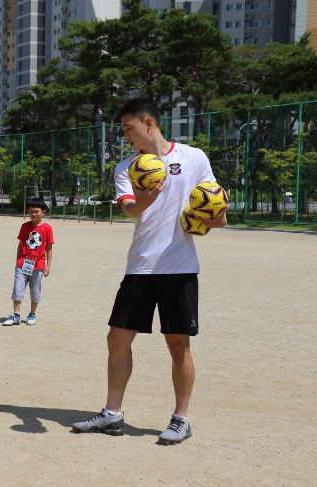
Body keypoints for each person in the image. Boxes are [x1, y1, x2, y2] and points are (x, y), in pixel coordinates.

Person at [71, 98, 227, 445]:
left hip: (180, 267)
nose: (125, 136)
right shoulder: (128, 167)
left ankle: (180, 419)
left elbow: (214, 205)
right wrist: (148, 196)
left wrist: (215, 218)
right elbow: (130, 210)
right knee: (117, 338)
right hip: (141, 265)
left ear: (148, 123)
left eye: (128, 128)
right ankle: (112, 415)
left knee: (178, 345)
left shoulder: (194, 157)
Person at [3, 197, 54, 326]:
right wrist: (17, 261)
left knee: (35, 290)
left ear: (43, 212)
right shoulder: (25, 226)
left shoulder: (47, 228)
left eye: (37, 211)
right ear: (28, 211)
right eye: (31, 211)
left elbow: (49, 247)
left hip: (38, 265)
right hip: (22, 264)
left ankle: (32, 313)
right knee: (18, 288)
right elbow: (21, 244)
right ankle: (16, 315)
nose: (34, 214)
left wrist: (48, 265)